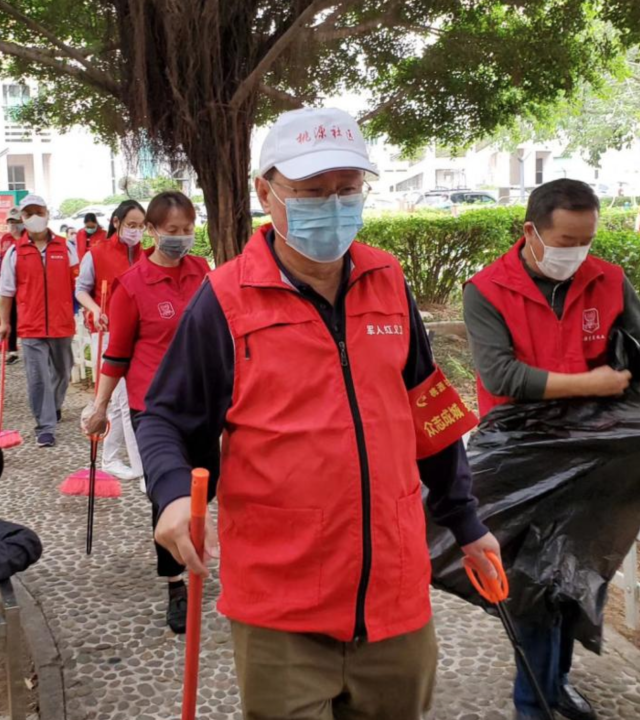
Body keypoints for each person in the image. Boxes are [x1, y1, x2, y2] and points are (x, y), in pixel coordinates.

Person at [135, 107, 500, 720]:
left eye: (346, 190)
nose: (332, 207)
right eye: (310, 192)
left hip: (395, 594)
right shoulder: (224, 298)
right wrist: (172, 495)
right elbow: (166, 417)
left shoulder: (389, 278)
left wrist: (466, 521)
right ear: (265, 193)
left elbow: (428, 410)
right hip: (282, 604)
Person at [463, 178, 640, 720]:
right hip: (521, 456)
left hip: (594, 453)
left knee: (580, 574)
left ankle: (556, 684)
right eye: (565, 240)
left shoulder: (609, 280)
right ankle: (532, 704)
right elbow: (503, 375)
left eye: (586, 240)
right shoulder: (488, 289)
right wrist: (593, 384)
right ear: (531, 233)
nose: (577, 253)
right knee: (533, 585)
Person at [82, 191, 209, 632]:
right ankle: (175, 583)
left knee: (204, 489)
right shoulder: (131, 285)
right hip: (154, 408)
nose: (180, 239)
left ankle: (198, 550)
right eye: (171, 231)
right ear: (151, 231)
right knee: (169, 492)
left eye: (187, 230)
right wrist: (100, 407)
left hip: (203, 399)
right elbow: (116, 355)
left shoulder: (202, 272)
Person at [0, 195, 78, 448]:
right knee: (38, 377)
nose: (34, 217)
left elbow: (78, 284)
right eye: (28, 213)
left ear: (47, 213)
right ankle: (45, 426)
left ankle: (53, 407)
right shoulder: (15, 252)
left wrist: (81, 310)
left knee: (63, 371)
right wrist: (4, 322)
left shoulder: (66, 247)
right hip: (31, 325)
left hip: (61, 323)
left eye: (39, 211)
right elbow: (6, 291)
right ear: (22, 219)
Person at [76, 201, 146, 481]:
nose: (136, 231)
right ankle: (144, 472)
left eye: (141, 226)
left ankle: (110, 458)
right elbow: (81, 290)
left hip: (139, 337)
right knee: (124, 400)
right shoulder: (97, 254)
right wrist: (96, 309)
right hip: (107, 335)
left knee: (120, 403)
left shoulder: (148, 255)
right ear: (116, 223)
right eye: (131, 225)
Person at [0, 208, 23, 365]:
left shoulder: (27, 239)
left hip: (23, 286)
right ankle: (9, 349)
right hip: (7, 284)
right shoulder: (5, 239)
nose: (13, 226)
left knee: (20, 318)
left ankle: (17, 348)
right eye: (10, 222)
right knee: (8, 317)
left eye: (16, 222)